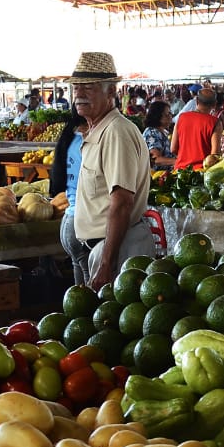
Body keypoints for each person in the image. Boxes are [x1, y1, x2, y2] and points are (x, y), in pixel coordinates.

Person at [68, 52, 154, 290]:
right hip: (103, 249)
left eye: (89, 87)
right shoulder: (98, 129)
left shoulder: (116, 132)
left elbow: (122, 202)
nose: (79, 94)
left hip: (115, 251)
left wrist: (107, 264)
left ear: (111, 92)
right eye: (76, 87)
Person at [49, 106, 89, 284]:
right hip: (80, 223)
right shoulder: (87, 143)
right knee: (90, 286)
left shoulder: (70, 137)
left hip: (69, 220)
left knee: (79, 290)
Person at [171, 86, 223, 170]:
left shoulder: (182, 118)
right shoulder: (215, 122)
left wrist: (186, 158)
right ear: (214, 104)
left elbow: (173, 148)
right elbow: (215, 154)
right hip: (201, 173)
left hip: (180, 171)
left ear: (197, 101)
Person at [143, 101, 176, 168]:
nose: (170, 116)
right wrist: (178, 161)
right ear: (158, 116)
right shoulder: (152, 133)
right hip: (158, 176)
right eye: (167, 114)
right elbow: (156, 160)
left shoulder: (163, 131)